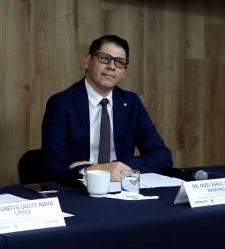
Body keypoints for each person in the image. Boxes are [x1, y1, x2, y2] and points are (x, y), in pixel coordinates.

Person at [41, 34, 172, 181]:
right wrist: (90, 170)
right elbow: (52, 166)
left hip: (121, 185)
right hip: (79, 188)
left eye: (119, 62)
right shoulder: (61, 103)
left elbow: (162, 156)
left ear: (124, 72)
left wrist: (118, 167)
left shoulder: (131, 103)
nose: (111, 66)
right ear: (88, 61)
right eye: (104, 58)